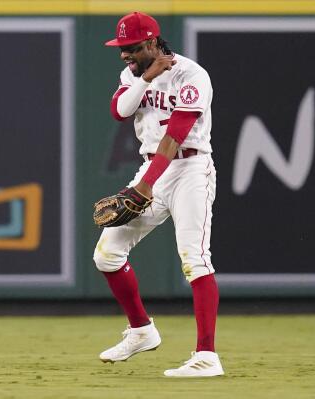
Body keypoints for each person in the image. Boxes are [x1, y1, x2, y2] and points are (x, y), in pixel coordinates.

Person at [93, 11, 224, 378]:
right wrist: (146, 77)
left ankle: (207, 356)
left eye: (131, 48)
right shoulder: (133, 74)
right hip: (151, 168)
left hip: (189, 170)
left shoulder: (192, 75)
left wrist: (145, 186)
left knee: (194, 259)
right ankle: (141, 330)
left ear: (152, 42)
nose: (125, 55)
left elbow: (175, 136)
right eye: (121, 49)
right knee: (107, 255)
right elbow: (119, 111)